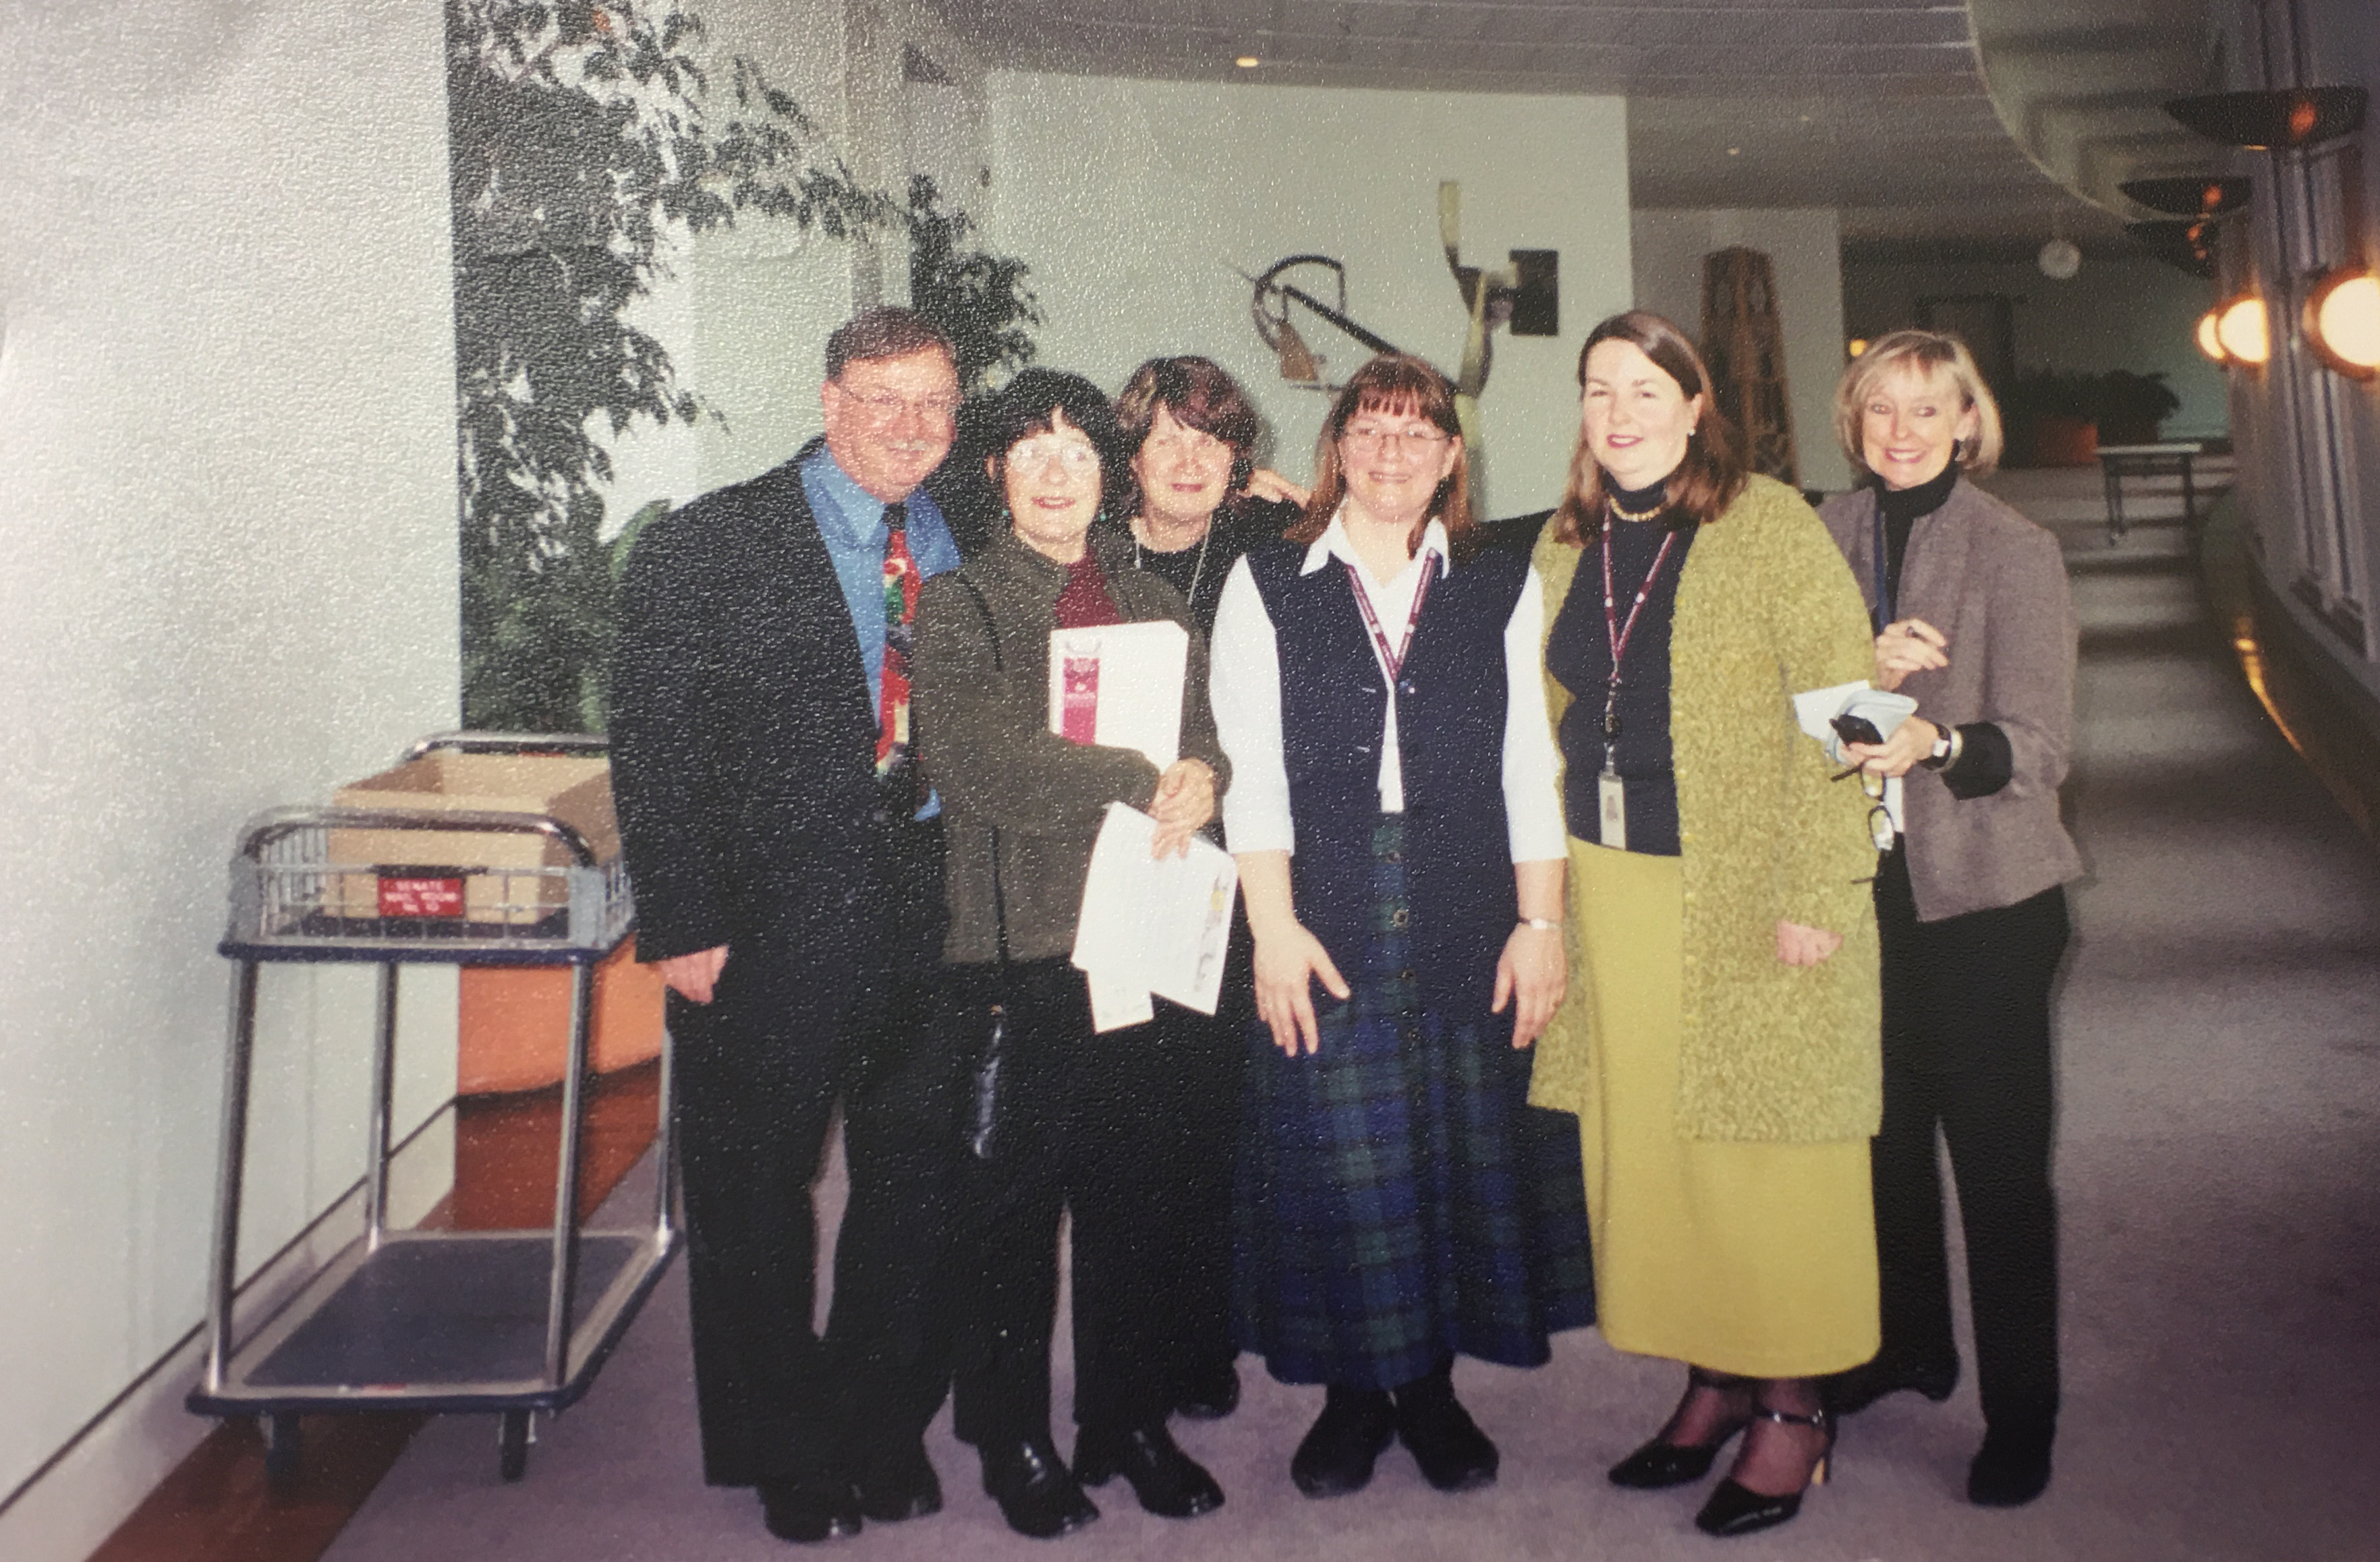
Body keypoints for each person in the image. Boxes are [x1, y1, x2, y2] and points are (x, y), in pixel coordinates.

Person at [607, 306, 969, 1544]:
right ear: (829, 403)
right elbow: (652, 744)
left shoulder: (957, 533)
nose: (911, 428)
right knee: (756, 1196)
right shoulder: (712, 544)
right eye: (884, 400)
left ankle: (877, 1424)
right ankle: (783, 1449)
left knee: (911, 1184)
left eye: (935, 403)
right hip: (764, 925)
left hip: (934, 913)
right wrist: (683, 918)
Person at [1522, 310, 1882, 1538]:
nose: (1618, 412)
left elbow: (1846, 712)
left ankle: (1793, 1405)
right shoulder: (1567, 544)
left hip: (1747, 886)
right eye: (1596, 388)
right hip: (1613, 888)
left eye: (1644, 389)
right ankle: (1713, 1381)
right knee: (1663, 1154)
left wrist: (1818, 889)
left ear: (1693, 409)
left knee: (1766, 1153)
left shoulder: (1768, 525)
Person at [1210, 352, 1593, 1503]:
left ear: (1450, 459)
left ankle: (1428, 1389)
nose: (1391, 455)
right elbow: (1253, 774)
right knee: (1341, 1159)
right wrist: (1271, 930)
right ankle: (1351, 1397)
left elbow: (1534, 759)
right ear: (1336, 451)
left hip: (1469, 895)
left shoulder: (1493, 579)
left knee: (1446, 1153)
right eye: (1369, 433)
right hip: (1319, 897)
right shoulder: (1269, 579)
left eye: (1416, 436)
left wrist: (1542, 923)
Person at [912, 367, 1232, 1539]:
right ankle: (1013, 1439)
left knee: (1132, 1201)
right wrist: (1134, 777)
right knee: (1012, 1217)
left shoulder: (1157, 598)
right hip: (1020, 956)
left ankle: (1126, 1423)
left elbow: (1201, 737)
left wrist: (1204, 776)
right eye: (1032, 450)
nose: (1058, 471)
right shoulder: (964, 606)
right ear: (996, 472)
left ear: (1109, 474)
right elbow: (982, 765)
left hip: (1139, 942)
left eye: (1080, 452)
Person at [1817, 328, 2080, 1507]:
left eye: (1931, 408)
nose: (1905, 430)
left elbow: (2038, 744)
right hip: (1863, 894)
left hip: (1984, 900)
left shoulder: (2015, 551)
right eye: (1884, 407)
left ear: (1970, 421)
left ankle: (2023, 1412)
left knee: (1999, 1172)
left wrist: (1941, 741)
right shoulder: (1826, 533)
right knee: (1882, 1149)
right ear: (1856, 418)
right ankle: (1910, 1346)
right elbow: (1792, 699)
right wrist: (1858, 667)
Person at [1097, 354, 1305, 1427]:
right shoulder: (1080, 548)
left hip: (1231, 866)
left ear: (1238, 458)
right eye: (1165, 437)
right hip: (1107, 867)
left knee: (1208, 1117)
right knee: (1121, 1116)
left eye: (1211, 439)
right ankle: (1125, 1351)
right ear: (1128, 454)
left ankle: (1200, 1335)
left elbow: (1378, 547)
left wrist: (1304, 503)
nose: (1187, 458)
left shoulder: (1268, 548)